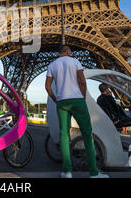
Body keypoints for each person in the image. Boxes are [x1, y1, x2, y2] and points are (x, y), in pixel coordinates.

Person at [45, 45, 109, 179]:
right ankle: (93, 172)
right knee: (87, 133)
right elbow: (82, 81)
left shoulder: (52, 65)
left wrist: (55, 99)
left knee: (64, 135)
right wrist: (83, 97)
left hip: (62, 102)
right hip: (77, 100)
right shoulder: (75, 61)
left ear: (60, 53)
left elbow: (47, 87)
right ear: (68, 52)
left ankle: (67, 171)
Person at [96, 83, 131, 148]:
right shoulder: (108, 98)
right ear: (106, 90)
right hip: (116, 120)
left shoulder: (99, 99)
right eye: (108, 89)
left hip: (108, 121)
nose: (109, 90)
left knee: (130, 120)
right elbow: (113, 109)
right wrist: (111, 96)